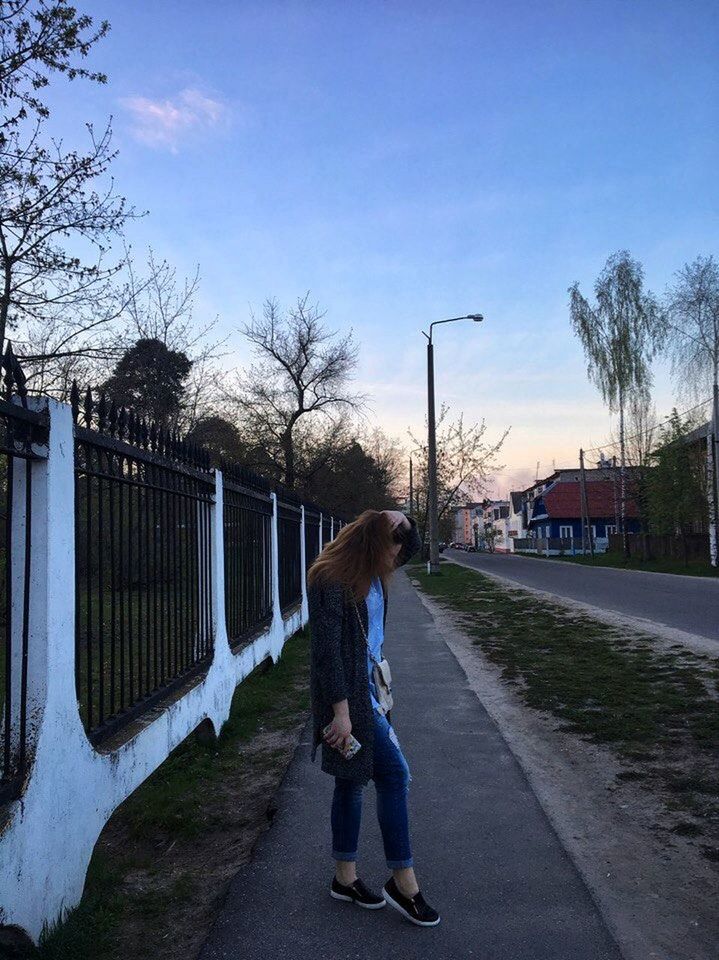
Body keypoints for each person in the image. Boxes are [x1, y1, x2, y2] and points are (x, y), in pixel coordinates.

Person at [307, 508, 441, 927]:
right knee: (394, 776)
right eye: (393, 544)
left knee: (350, 783)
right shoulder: (333, 580)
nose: (399, 554)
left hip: (373, 692)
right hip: (350, 700)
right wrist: (341, 714)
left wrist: (402, 521)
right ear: (373, 545)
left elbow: (412, 550)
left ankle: (343, 879)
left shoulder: (377, 571)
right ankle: (404, 884)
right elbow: (326, 654)